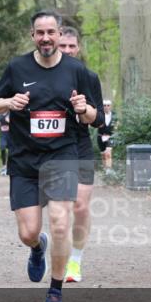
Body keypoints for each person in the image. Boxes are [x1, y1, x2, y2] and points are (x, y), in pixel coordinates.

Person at [0, 11, 97, 302]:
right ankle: (38, 248)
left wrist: (82, 108)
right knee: (28, 233)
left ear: (60, 34)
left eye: (51, 32)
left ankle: (55, 290)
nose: (46, 38)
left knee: (62, 223)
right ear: (32, 35)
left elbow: (94, 116)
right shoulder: (17, 67)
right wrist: (9, 103)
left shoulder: (76, 71)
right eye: (40, 33)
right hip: (24, 160)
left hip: (62, 156)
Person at [57, 27, 104, 284]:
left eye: (71, 46)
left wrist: (84, 108)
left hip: (79, 146)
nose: (67, 51)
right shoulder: (43, 75)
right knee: (57, 210)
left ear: (79, 48)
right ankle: (42, 246)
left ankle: (75, 260)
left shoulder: (88, 76)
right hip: (49, 148)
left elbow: (99, 121)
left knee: (80, 206)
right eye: (62, 46)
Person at [98, 99, 115, 171]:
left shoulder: (114, 115)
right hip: (100, 136)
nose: (106, 107)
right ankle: (105, 169)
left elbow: (117, 126)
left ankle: (109, 170)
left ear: (110, 106)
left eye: (108, 105)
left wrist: (113, 134)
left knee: (108, 153)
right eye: (104, 105)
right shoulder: (100, 115)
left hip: (110, 137)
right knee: (103, 154)